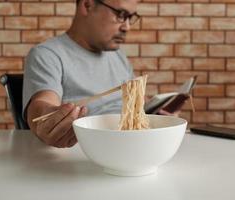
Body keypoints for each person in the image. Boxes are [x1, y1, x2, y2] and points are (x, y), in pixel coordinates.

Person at [23, 0, 177, 148]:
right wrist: (46, 122)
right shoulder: (48, 54)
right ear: (87, 5)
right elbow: (42, 105)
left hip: (135, 144)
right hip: (89, 148)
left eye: (130, 18)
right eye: (121, 14)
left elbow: (140, 103)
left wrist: (160, 114)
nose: (127, 27)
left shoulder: (118, 56)